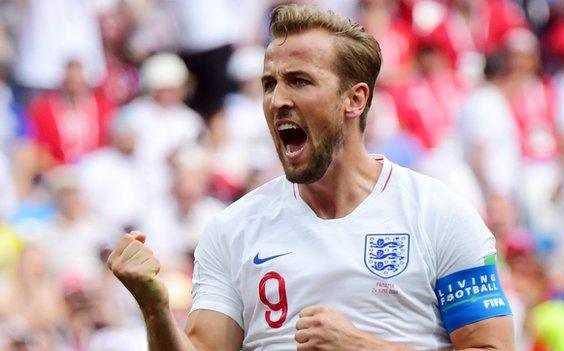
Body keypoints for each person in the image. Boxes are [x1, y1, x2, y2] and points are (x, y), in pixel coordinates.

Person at [107, 4, 514, 350]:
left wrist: (362, 346)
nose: (277, 100)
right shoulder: (233, 230)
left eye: (299, 81)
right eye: (270, 83)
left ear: (355, 99)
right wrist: (154, 307)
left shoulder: (438, 214)